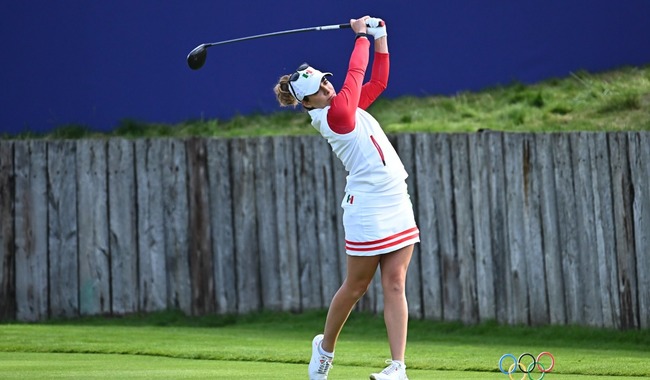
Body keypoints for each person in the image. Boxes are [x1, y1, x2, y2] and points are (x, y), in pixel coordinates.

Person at [273, 16, 419, 380]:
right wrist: (361, 37)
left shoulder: (343, 105)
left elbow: (378, 81)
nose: (328, 87)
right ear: (309, 102)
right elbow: (356, 73)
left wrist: (381, 37)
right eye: (321, 88)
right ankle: (324, 350)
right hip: (366, 206)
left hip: (396, 197)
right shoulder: (335, 115)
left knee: (396, 283)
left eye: (326, 81)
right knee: (356, 287)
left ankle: (398, 367)